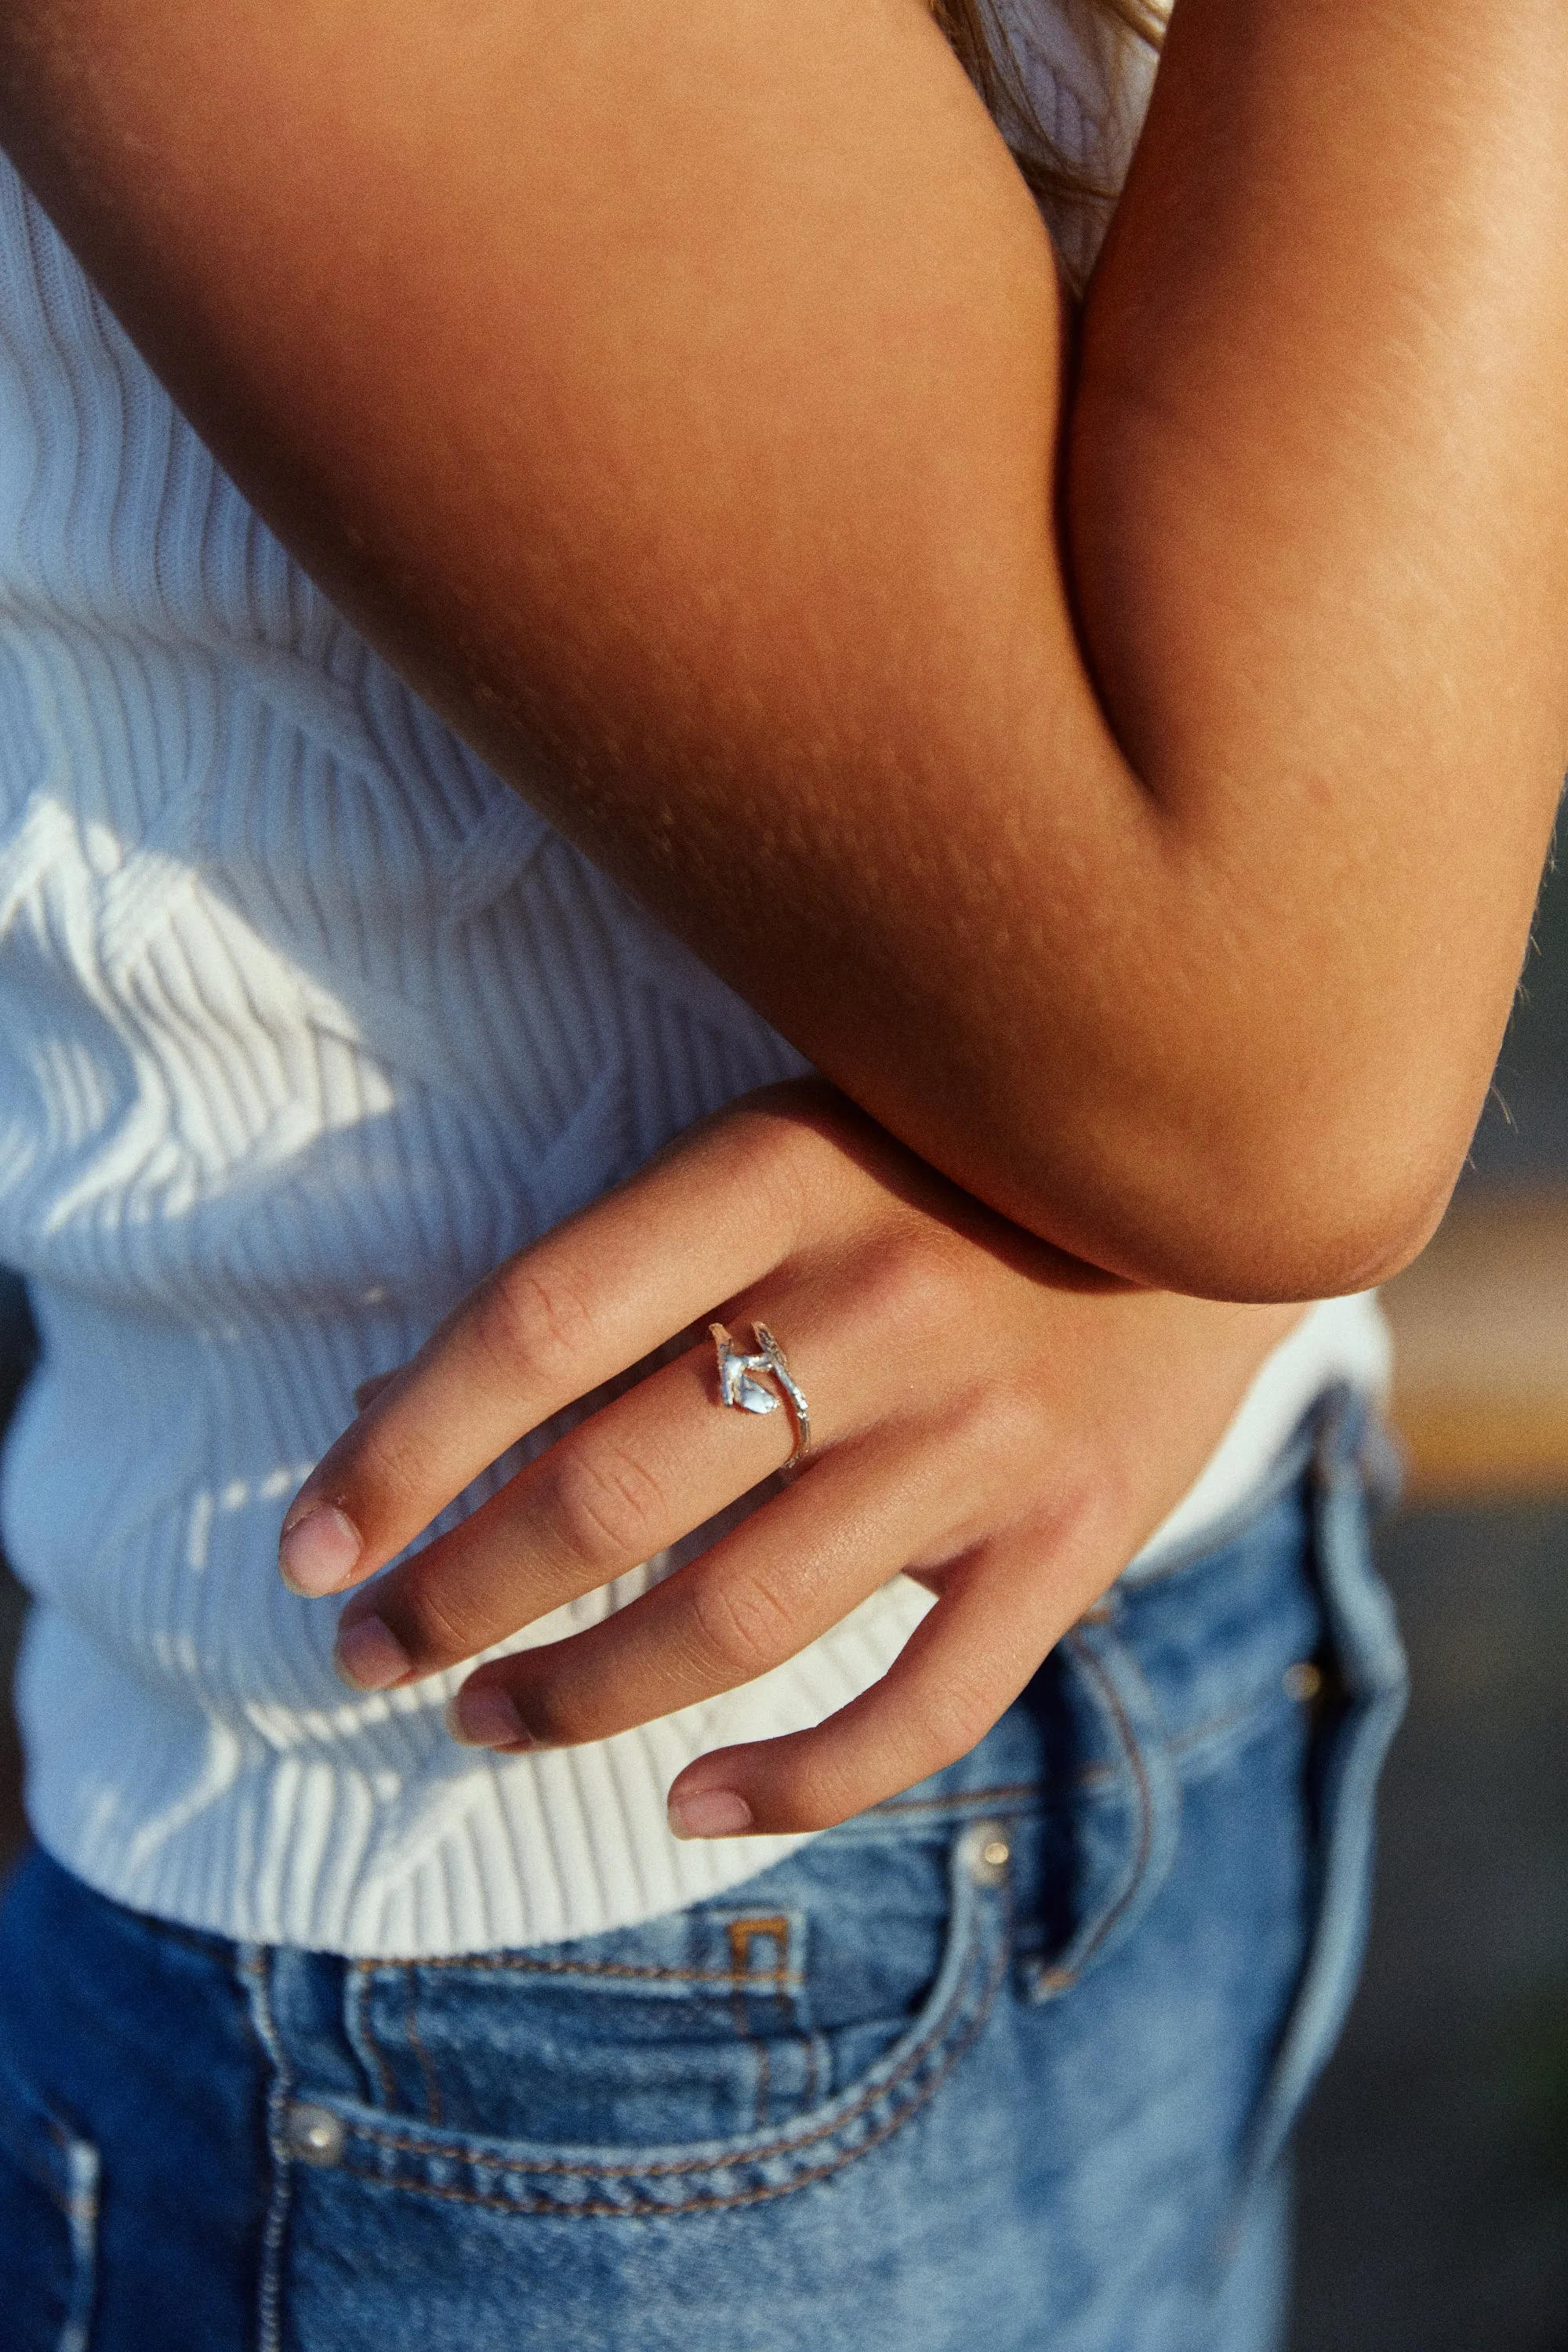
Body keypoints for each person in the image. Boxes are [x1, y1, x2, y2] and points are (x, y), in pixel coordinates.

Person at [0, 0, 1562, 2345]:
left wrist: (1181, 1213)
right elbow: (1275, 1054)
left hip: (1185, 1610)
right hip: (562, 1991)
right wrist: (1218, 1094)